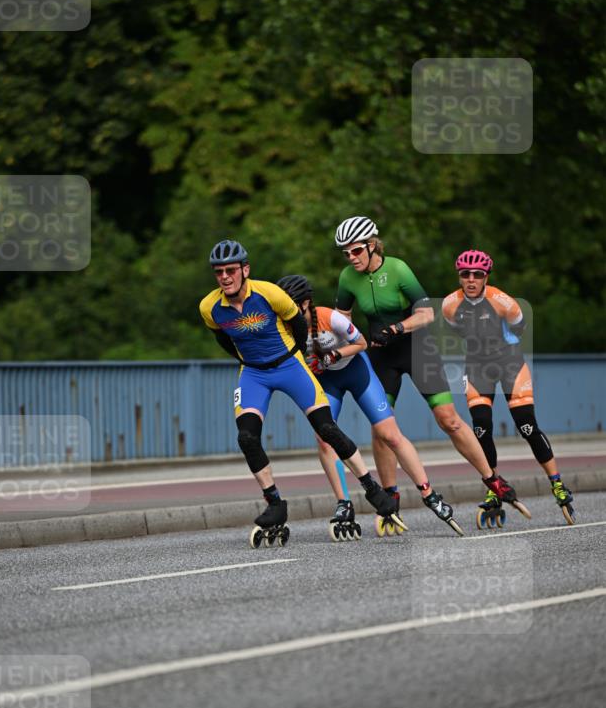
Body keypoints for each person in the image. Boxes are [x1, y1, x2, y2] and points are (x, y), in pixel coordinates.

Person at [198, 239, 402, 543]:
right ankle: (275, 503)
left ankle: (372, 489)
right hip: (253, 373)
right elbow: (224, 340)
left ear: (245, 270)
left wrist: (292, 355)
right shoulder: (209, 307)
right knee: (247, 437)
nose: (225, 277)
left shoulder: (270, 294)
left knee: (327, 429)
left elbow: (298, 325)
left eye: (230, 270)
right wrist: (249, 360)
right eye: (218, 272)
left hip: (289, 366)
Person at [333, 215, 529, 519]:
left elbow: (426, 313)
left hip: (417, 349)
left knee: (448, 420)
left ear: (372, 245)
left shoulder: (398, 269)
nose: (351, 258)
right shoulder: (348, 277)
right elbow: (340, 319)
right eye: (345, 253)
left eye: (356, 250)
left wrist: (397, 328)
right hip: (381, 357)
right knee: (381, 428)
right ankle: (390, 497)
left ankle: (493, 479)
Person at [276, 274, 463, 536]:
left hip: (356, 371)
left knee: (389, 435)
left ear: (305, 303)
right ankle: (343, 503)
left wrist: (335, 354)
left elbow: (361, 343)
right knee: (323, 438)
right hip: (329, 380)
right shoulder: (285, 327)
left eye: (290, 305)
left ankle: (429, 493)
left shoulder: (330, 317)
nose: (285, 312)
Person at [442, 249, 575, 525]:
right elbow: (456, 328)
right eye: (465, 274)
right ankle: (493, 488)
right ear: (459, 276)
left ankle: (557, 483)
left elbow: (519, 327)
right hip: (478, 367)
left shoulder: (503, 301)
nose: (470, 279)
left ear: (486, 276)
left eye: (477, 275)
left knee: (526, 425)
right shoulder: (449, 305)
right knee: (481, 427)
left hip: (510, 362)